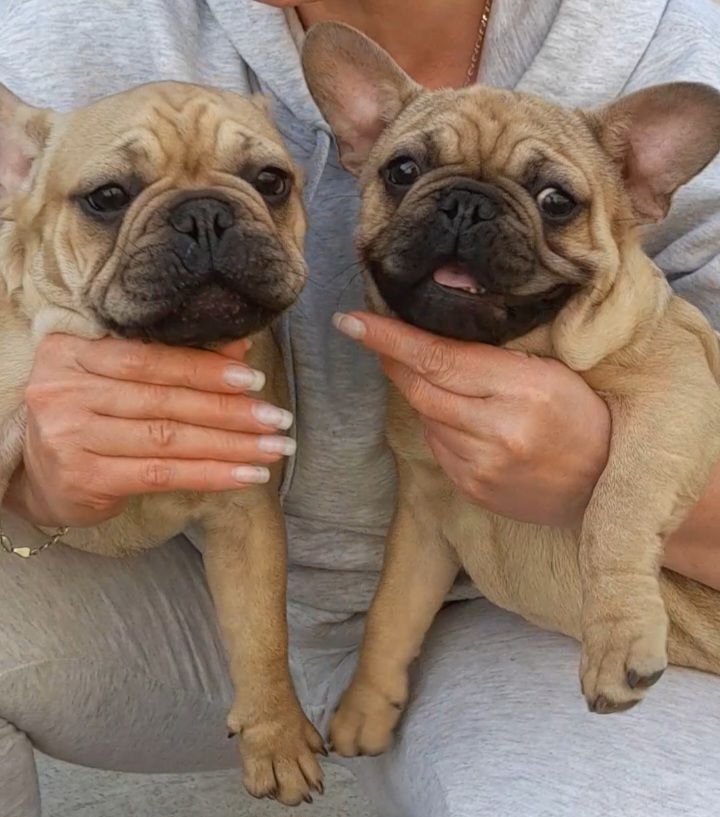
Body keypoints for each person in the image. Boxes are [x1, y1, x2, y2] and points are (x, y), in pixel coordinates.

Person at [1, 1, 719, 815]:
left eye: (267, 183)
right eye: (108, 197)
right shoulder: (65, 29)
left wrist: (594, 476)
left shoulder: (671, 42)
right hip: (175, 596)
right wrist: (33, 481)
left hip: (519, 620)